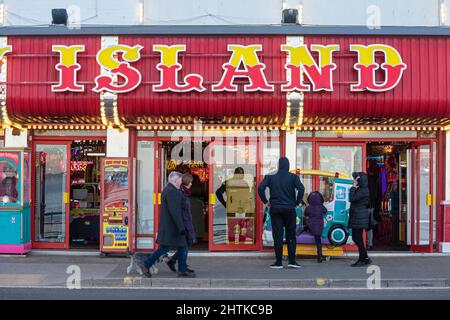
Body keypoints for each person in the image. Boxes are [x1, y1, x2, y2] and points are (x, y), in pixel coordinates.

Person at [141, 171, 193, 278]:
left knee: (182, 246)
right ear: (175, 180)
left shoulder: (169, 189)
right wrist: (181, 227)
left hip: (171, 226)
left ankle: (182, 268)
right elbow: (175, 211)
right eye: (179, 180)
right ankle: (146, 264)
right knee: (165, 248)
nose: (181, 182)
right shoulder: (172, 191)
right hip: (172, 227)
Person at [258, 157, 305, 269]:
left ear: (279, 165)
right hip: (290, 209)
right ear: (288, 165)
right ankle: (292, 261)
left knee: (278, 236)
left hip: (276, 209)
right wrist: (297, 202)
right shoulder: (294, 177)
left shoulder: (270, 177)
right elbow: (301, 189)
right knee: (291, 235)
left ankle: (278, 262)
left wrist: (266, 201)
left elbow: (260, 188)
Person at [166, 173, 197, 274]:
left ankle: (175, 261)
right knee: (185, 244)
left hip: (186, 222)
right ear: (187, 182)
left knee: (186, 244)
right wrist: (182, 225)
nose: (192, 184)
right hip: (184, 222)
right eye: (191, 182)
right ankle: (181, 266)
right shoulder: (181, 193)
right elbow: (180, 210)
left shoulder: (184, 192)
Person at [349, 172, 372, 267]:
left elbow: (351, 198)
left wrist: (353, 187)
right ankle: (365, 258)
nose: (354, 181)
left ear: (359, 180)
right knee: (357, 238)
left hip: (359, 216)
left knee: (357, 238)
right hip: (358, 216)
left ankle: (363, 259)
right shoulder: (362, 189)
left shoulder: (363, 190)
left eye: (355, 179)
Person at [304, 192, 327, 263]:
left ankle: (303, 230)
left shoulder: (308, 207)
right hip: (319, 226)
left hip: (311, 226)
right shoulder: (321, 206)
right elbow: (325, 211)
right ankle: (320, 256)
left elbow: (305, 214)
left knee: (307, 227)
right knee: (318, 240)